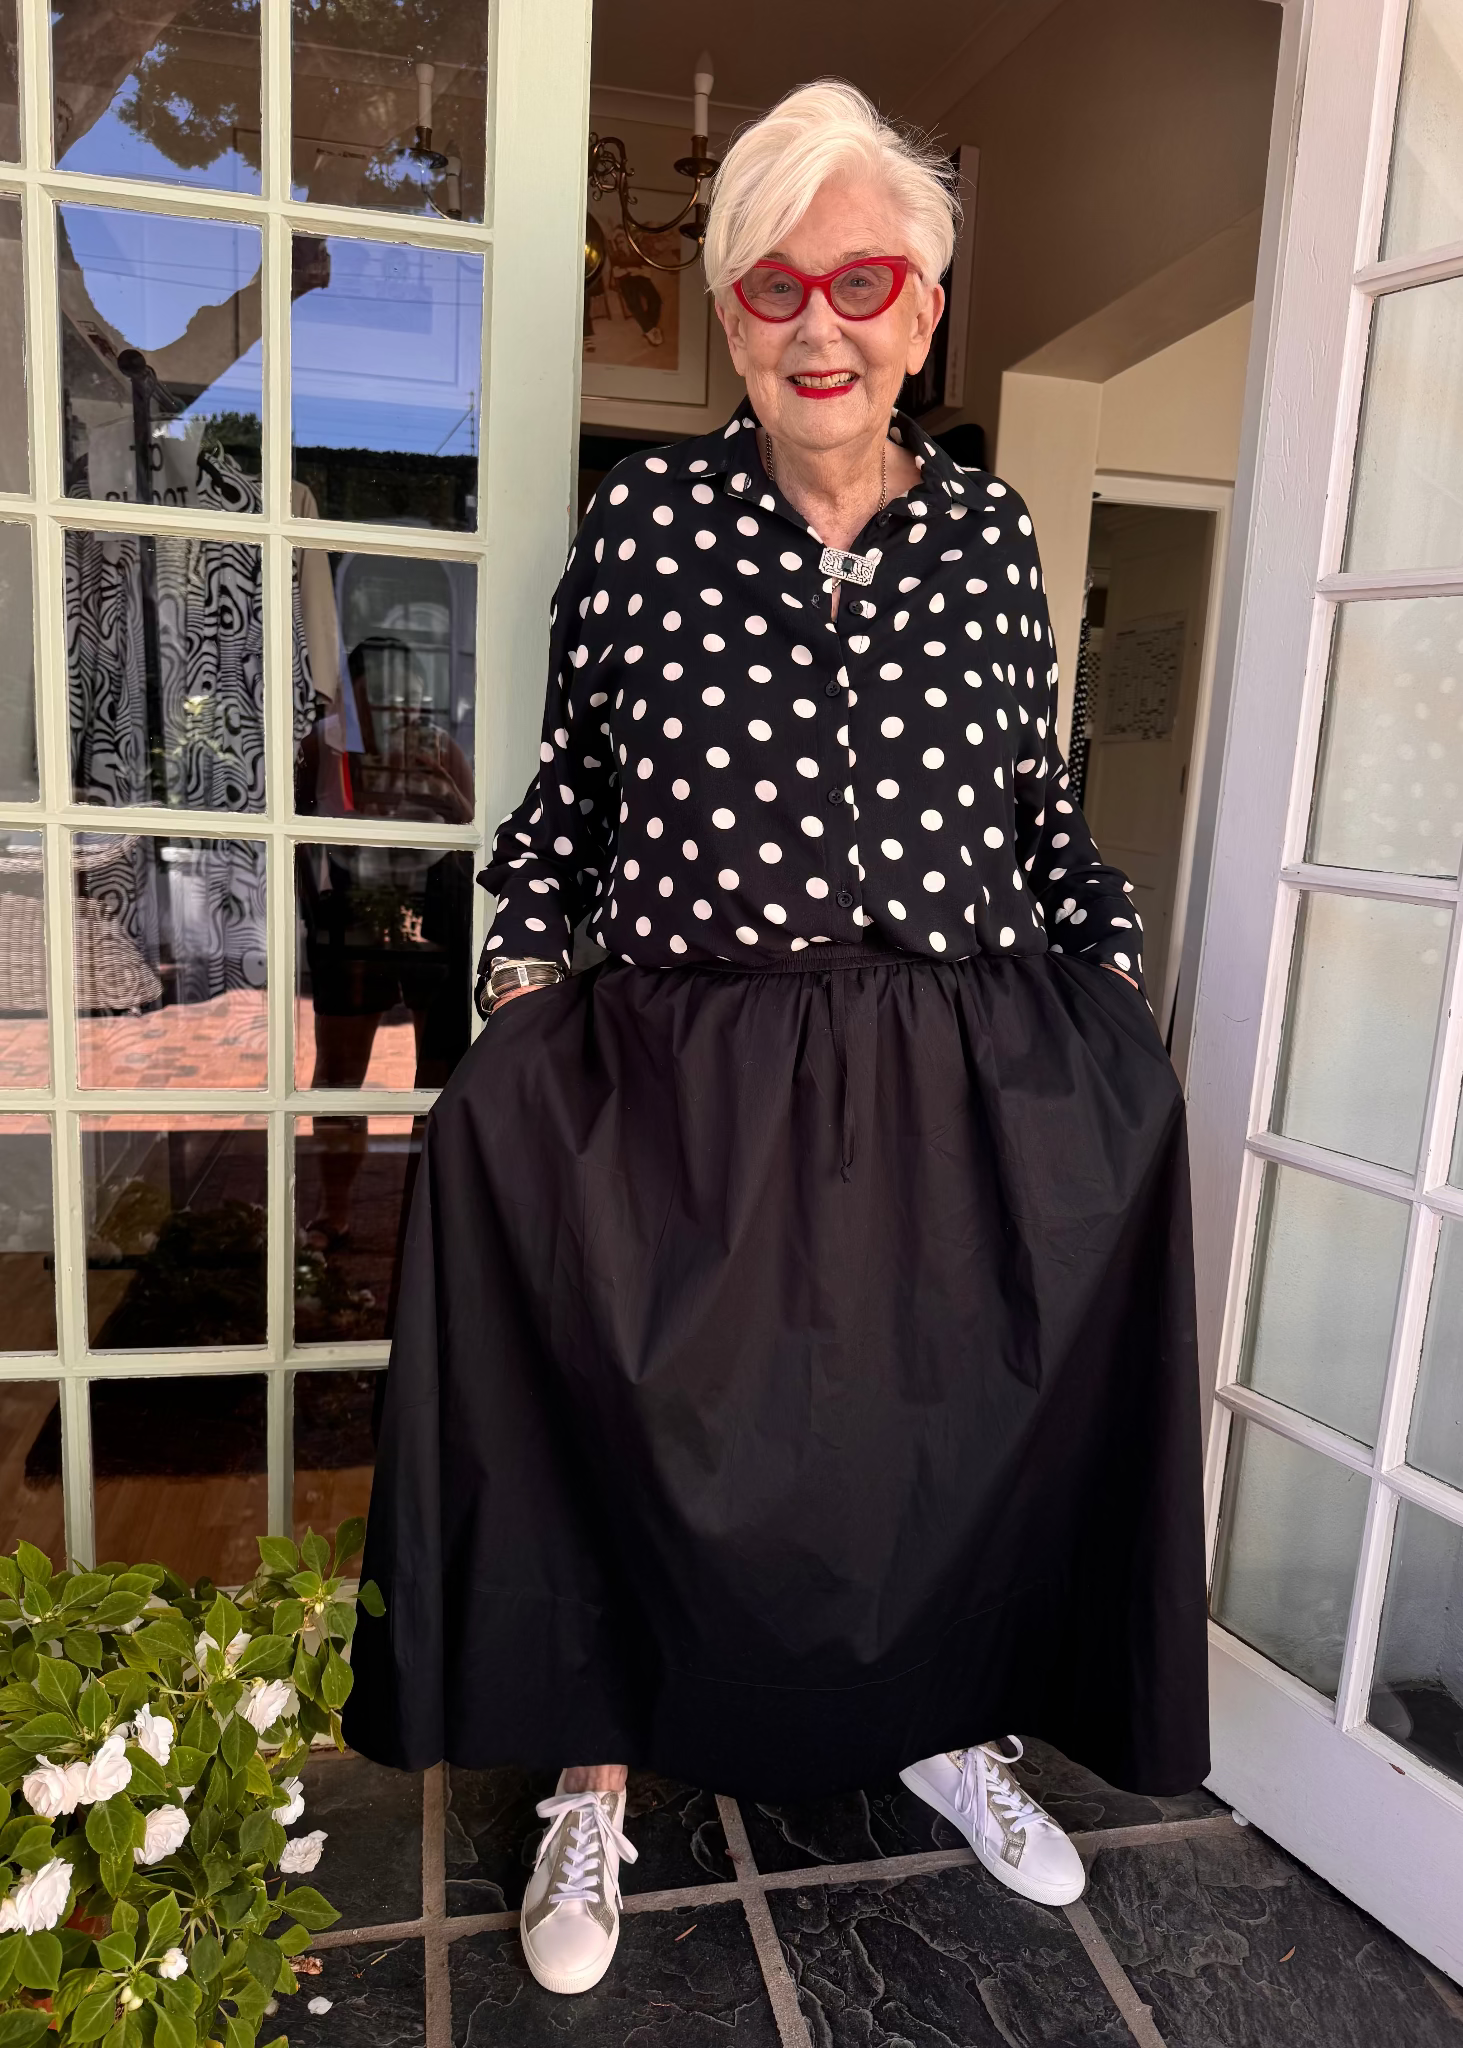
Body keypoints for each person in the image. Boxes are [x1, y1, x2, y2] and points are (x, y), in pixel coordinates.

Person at [344, 78, 1209, 1999]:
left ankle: (947, 1726)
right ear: (731, 313)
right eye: (772, 286)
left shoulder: (988, 540)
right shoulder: (645, 527)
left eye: (862, 280)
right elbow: (560, 825)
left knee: (935, 1447)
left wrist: (1112, 1023)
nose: (819, 324)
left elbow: (1043, 826)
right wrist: (519, 1021)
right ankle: (592, 1771)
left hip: (956, 1088)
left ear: (923, 309)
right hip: (689, 1095)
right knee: (629, 1436)